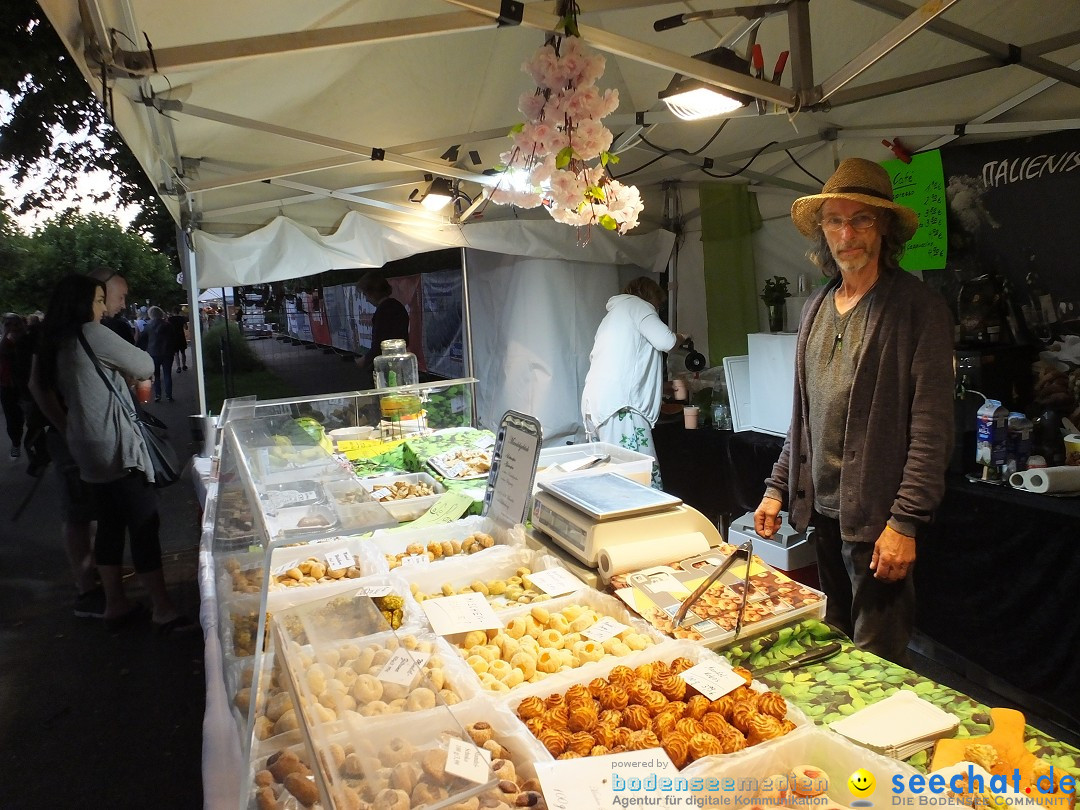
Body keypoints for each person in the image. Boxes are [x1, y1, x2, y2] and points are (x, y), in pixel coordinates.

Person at [752, 157, 955, 664]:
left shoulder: (917, 308)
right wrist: (778, 488)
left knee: (876, 660)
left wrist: (904, 522)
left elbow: (932, 431)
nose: (848, 233)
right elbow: (805, 418)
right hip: (823, 514)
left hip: (878, 524)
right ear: (822, 231)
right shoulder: (816, 308)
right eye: (836, 221)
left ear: (884, 226)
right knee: (836, 644)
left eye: (862, 219)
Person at [36, 274, 194, 633]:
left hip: (85, 446)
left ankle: (115, 604)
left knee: (109, 524)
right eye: (96, 300)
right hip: (116, 445)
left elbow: (42, 387)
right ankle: (163, 609)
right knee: (143, 524)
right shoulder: (92, 333)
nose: (103, 307)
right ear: (81, 303)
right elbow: (145, 365)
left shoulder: (54, 339)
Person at [580, 276, 686, 488]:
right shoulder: (639, 307)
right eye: (659, 303)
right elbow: (667, 341)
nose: (658, 309)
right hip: (621, 407)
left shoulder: (613, 316)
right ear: (651, 297)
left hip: (599, 405)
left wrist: (660, 388)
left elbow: (628, 365)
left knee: (608, 474)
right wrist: (684, 336)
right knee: (636, 478)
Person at [355, 272, 410, 387]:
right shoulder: (398, 306)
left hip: (386, 366)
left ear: (372, 292)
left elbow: (379, 344)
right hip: (401, 361)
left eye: (366, 295)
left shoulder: (383, 311)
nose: (366, 300)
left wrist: (365, 360)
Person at [1, 313, 29, 458]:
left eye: (16, 324)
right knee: (13, 420)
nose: (12, 328)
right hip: (7, 387)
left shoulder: (28, 342)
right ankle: (16, 443)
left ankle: (38, 450)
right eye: (7, 324)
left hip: (26, 386)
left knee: (33, 419)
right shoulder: (4, 344)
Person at [145, 305, 174, 402]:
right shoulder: (168, 325)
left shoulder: (148, 326)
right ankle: (169, 395)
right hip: (167, 352)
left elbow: (144, 340)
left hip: (153, 353)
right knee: (167, 374)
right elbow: (172, 338)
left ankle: (157, 395)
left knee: (156, 375)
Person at [169, 305, 190, 372]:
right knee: (183, 352)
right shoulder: (182, 318)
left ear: (173, 312)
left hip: (174, 337)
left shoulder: (170, 319)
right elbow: (186, 327)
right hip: (181, 335)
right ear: (179, 311)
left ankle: (178, 367)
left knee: (176, 353)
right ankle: (184, 365)